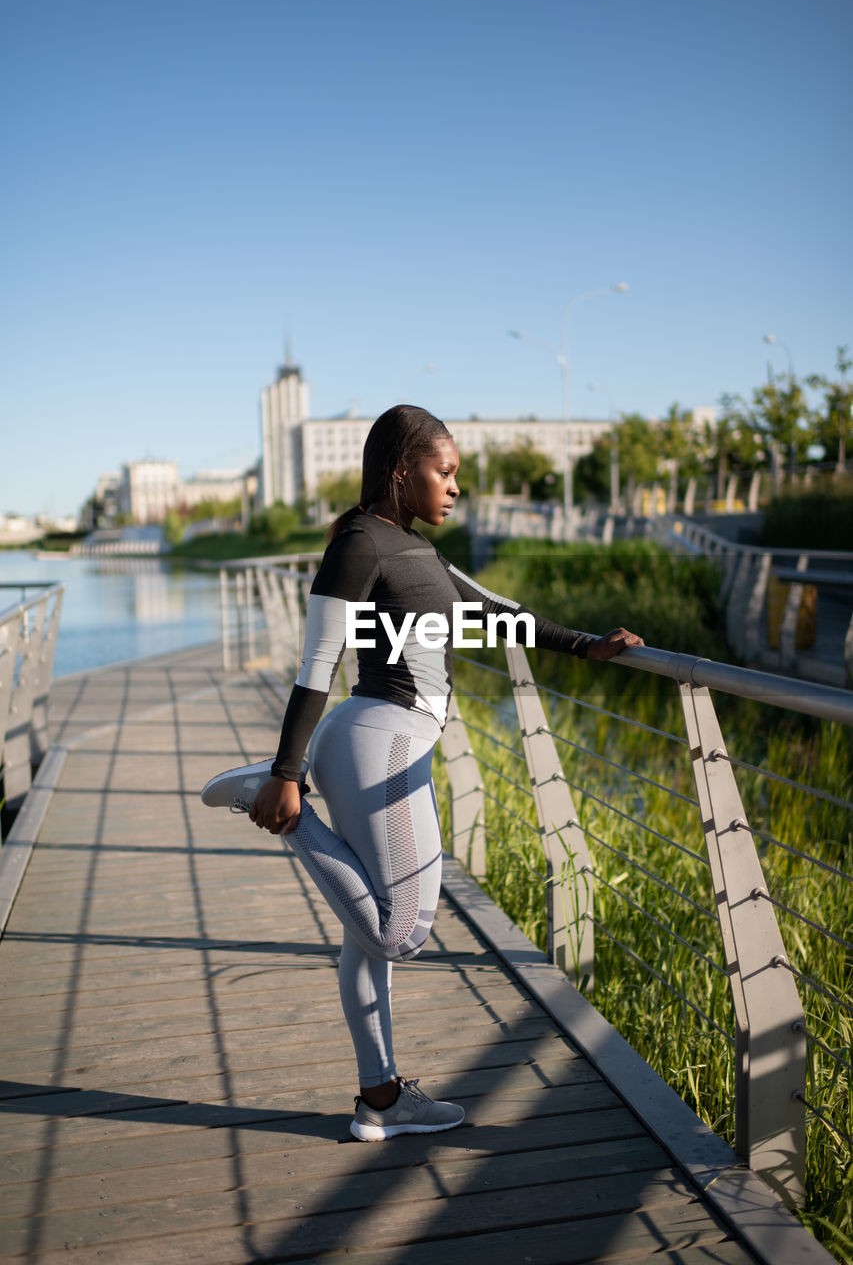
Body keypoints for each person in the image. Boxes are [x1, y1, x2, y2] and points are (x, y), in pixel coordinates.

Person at [207, 404, 643, 1142]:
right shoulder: (357, 542)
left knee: (363, 935)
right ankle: (275, 802)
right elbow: (318, 662)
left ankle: (379, 1101)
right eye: (444, 473)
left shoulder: (412, 548)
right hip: (377, 737)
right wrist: (286, 773)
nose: (454, 489)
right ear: (402, 467)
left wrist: (585, 645)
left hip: (381, 740)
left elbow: (491, 611)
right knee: (402, 933)